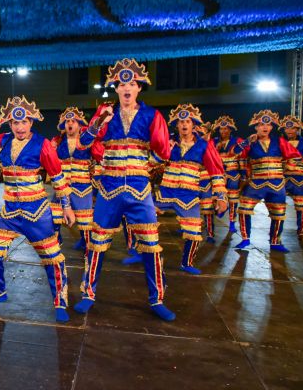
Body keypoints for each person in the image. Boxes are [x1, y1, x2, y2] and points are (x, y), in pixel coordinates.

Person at [74, 58, 175, 321]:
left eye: (131, 83)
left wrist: (156, 143)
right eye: (122, 84)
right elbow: (83, 144)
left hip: (140, 190)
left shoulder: (152, 115)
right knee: (96, 244)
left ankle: (157, 299)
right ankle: (88, 294)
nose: (127, 88)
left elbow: (163, 151)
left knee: (151, 246)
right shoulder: (105, 113)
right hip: (109, 189)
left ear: (139, 87)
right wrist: (98, 122)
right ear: (115, 88)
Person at [0, 95, 75, 322]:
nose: (20, 127)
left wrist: (66, 206)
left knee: (52, 257)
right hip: (10, 211)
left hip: (37, 210)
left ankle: (60, 302)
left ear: (31, 123)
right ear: (10, 124)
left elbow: (58, 177)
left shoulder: (43, 144)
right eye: (16, 123)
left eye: (24, 122)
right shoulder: (1, 141)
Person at [152, 105, 227, 275]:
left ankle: (187, 262)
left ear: (193, 125)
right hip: (165, 193)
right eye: (180, 122)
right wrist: (164, 151)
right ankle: (142, 252)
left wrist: (221, 197)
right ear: (176, 125)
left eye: (187, 121)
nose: (184, 125)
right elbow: (151, 162)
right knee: (144, 219)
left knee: (193, 231)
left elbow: (216, 171)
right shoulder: (168, 142)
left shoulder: (204, 145)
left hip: (189, 194)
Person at [233, 110, 301, 252]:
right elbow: (235, 152)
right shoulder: (251, 142)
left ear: (271, 127)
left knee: (278, 213)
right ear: (256, 127)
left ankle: (275, 241)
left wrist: (288, 168)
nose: (265, 127)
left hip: (276, 184)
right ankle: (245, 239)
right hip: (256, 183)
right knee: (244, 209)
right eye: (261, 124)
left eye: (268, 124)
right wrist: (247, 141)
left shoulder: (279, 141)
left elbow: (294, 155)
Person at [52, 107, 98, 251]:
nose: (69, 123)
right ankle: (54, 245)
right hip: (62, 186)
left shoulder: (87, 141)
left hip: (82, 186)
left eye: (73, 121)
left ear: (79, 124)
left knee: (85, 221)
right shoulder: (57, 142)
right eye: (67, 121)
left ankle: (87, 247)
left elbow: (98, 159)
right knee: (55, 217)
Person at [213, 116, 244, 232]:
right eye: (221, 129)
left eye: (226, 129)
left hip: (233, 173)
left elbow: (243, 156)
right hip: (219, 173)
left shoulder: (237, 141)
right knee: (217, 196)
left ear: (230, 130)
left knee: (233, 199)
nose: (223, 131)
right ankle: (219, 211)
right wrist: (216, 149)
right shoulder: (214, 141)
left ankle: (232, 223)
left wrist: (244, 173)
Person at [280, 116, 303, 239]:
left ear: (297, 129)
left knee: (301, 206)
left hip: (300, 178)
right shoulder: (279, 142)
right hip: (281, 177)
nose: (289, 131)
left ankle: (302, 229)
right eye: (286, 129)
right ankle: (277, 230)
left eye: (292, 128)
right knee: (277, 204)